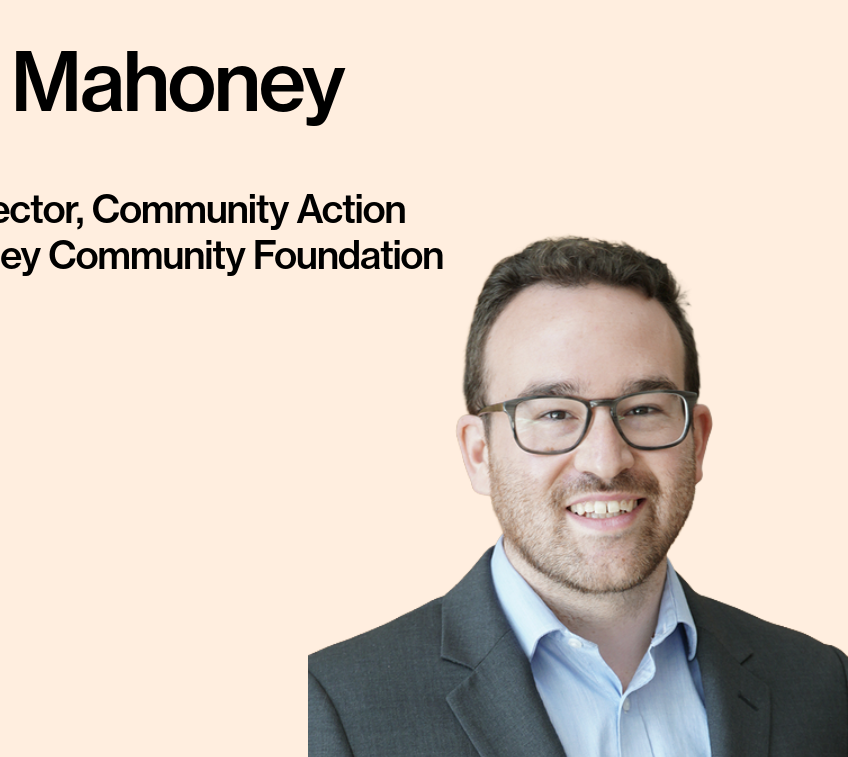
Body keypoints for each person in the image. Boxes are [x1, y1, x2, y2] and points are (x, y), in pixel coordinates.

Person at [308, 238, 848, 756]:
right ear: (479, 453)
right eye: (554, 414)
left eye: (642, 408)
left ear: (698, 439)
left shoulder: (821, 686)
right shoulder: (336, 707)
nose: (606, 460)